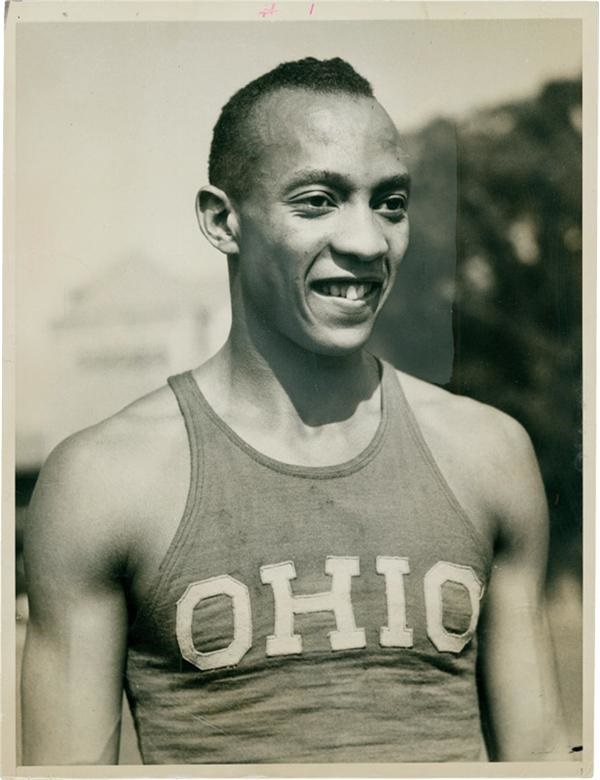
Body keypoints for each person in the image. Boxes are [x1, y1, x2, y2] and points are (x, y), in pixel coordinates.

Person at [22, 57, 569, 765]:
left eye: (390, 203)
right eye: (318, 201)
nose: (368, 243)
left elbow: (541, 756)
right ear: (223, 221)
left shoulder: (488, 453)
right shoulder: (104, 481)